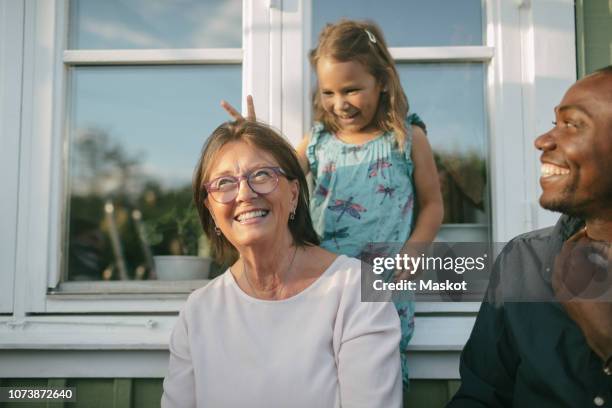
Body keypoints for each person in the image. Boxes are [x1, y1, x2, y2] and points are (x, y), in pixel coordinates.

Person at [223, 19, 444, 389]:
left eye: (352, 89)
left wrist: (414, 252)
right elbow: (274, 177)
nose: (339, 103)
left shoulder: (408, 137)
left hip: (384, 286)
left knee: (375, 376)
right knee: (317, 373)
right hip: (323, 284)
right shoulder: (317, 142)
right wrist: (252, 141)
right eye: (329, 92)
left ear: (382, 81)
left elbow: (433, 204)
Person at [161, 120, 403, 407]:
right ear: (211, 212)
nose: (244, 193)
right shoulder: (198, 312)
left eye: (261, 175)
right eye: (225, 182)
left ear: (293, 194)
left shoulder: (355, 289)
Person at [448, 66, 612, 407]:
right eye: (555, 123)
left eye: (572, 124)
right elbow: (479, 398)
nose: (543, 140)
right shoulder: (522, 260)